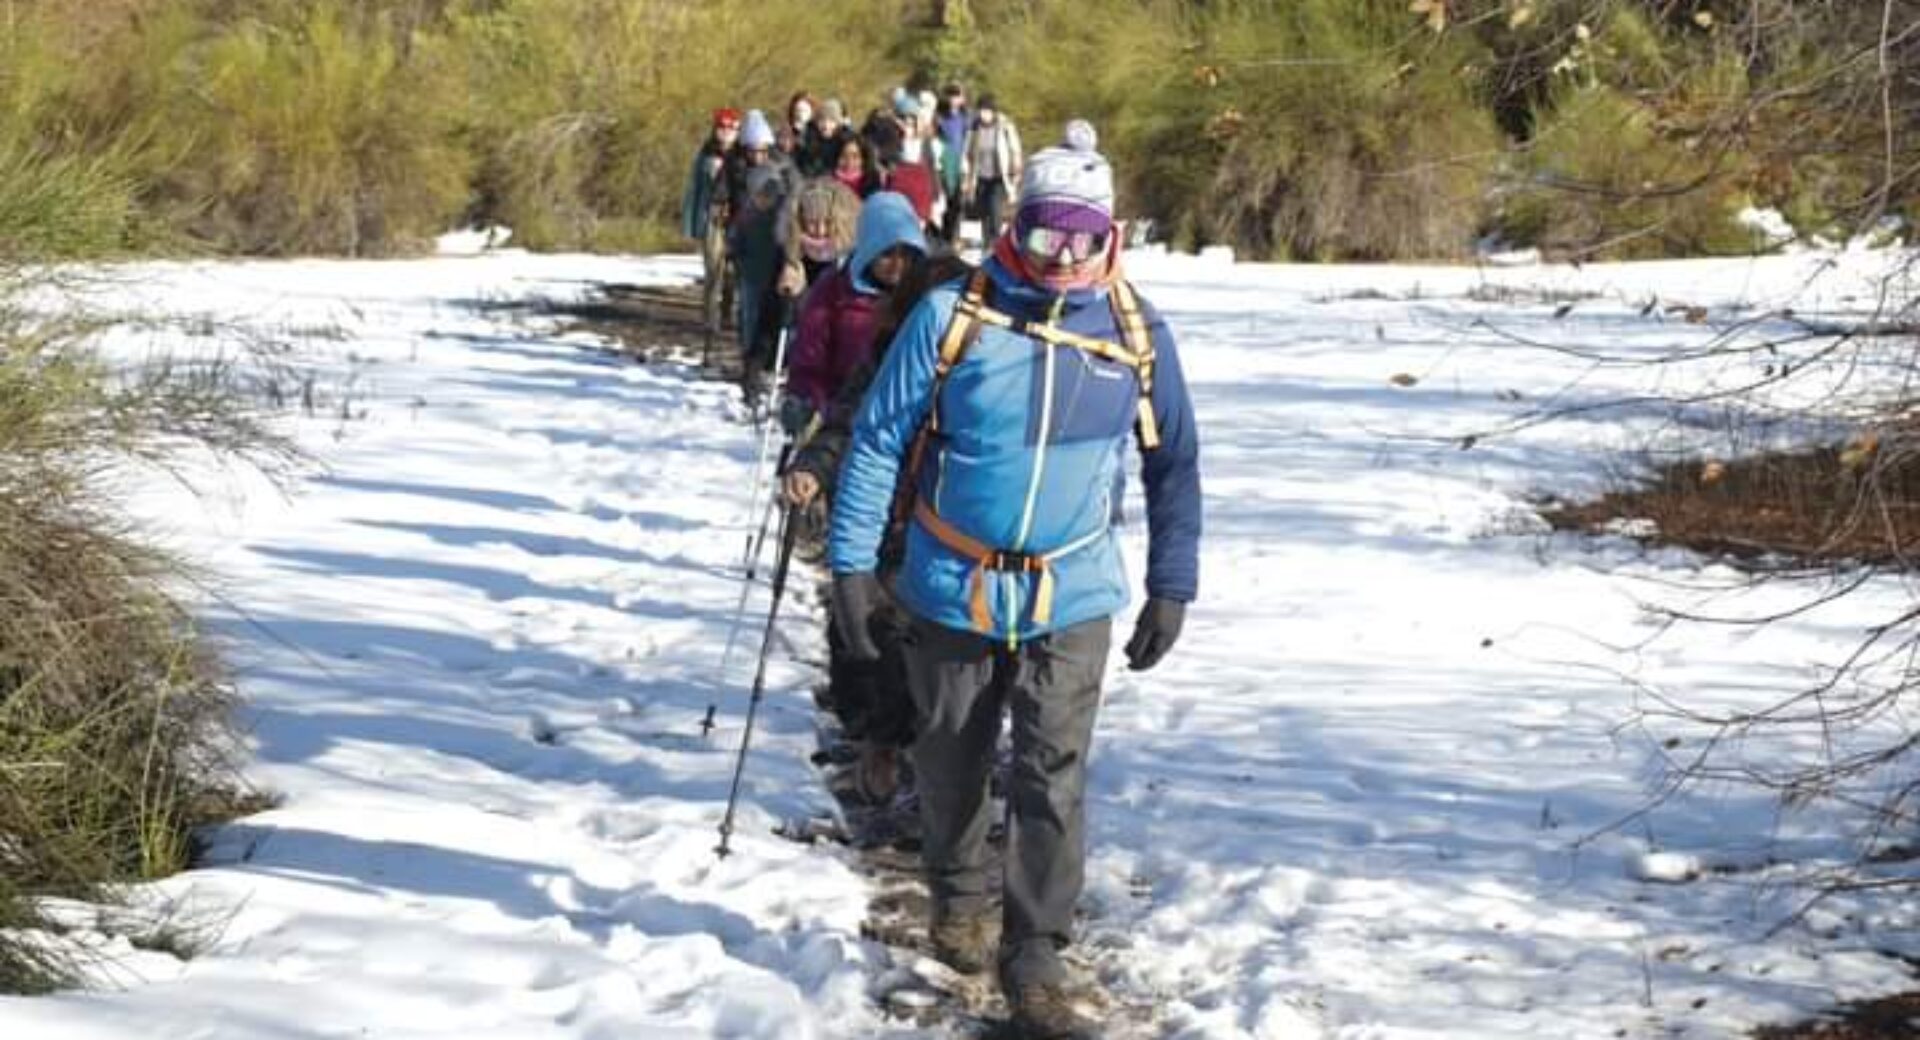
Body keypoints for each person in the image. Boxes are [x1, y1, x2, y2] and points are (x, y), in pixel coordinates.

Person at [826, 132, 1201, 1039]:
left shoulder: (1136, 331)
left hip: (1071, 591)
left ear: (1111, 235)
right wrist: (849, 572)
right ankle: (958, 898)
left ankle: (1035, 949)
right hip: (953, 583)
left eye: (1082, 237)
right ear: (1013, 226)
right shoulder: (954, 315)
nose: (1064, 258)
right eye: (1045, 236)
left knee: (1052, 772)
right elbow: (878, 440)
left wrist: (1170, 582)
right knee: (952, 756)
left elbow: (1174, 464)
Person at [681, 108, 741, 345]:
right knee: (713, 270)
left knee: (732, 273)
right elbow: (693, 189)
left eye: (731, 128)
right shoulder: (706, 155)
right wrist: (691, 224)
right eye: (722, 128)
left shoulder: (743, 156)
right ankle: (710, 319)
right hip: (711, 219)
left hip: (736, 220)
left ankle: (728, 311)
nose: (726, 133)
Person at [776, 175, 862, 301]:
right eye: (812, 222)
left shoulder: (849, 254)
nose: (820, 231)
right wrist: (791, 291)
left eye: (828, 222)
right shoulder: (794, 252)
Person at [962, 94, 1023, 244]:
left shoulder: (1005, 126)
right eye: (981, 111)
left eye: (987, 111)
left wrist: (1016, 172)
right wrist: (966, 176)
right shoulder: (974, 128)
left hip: (999, 177)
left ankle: (995, 244)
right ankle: (985, 243)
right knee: (982, 213)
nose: (984, 115)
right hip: (980, 176)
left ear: (993, 112)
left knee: (995, 211)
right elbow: (966, 153)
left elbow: (1015, 150)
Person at [935, 86, 970, 242]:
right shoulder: (940, 118)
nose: (955, 99)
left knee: (958, 202)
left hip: (960, 161)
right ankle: (943, 235)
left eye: (958, 96)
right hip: (945, 161)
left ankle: (952, 235)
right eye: (952, 96)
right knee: (945, 200)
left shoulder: (965, 118)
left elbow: (968, 141)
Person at [803, 98, 858, 178]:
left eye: (831, 121)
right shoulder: (808, 140)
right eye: (822, 120)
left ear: (838, 123)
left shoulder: (847, 141)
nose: (826, 126)